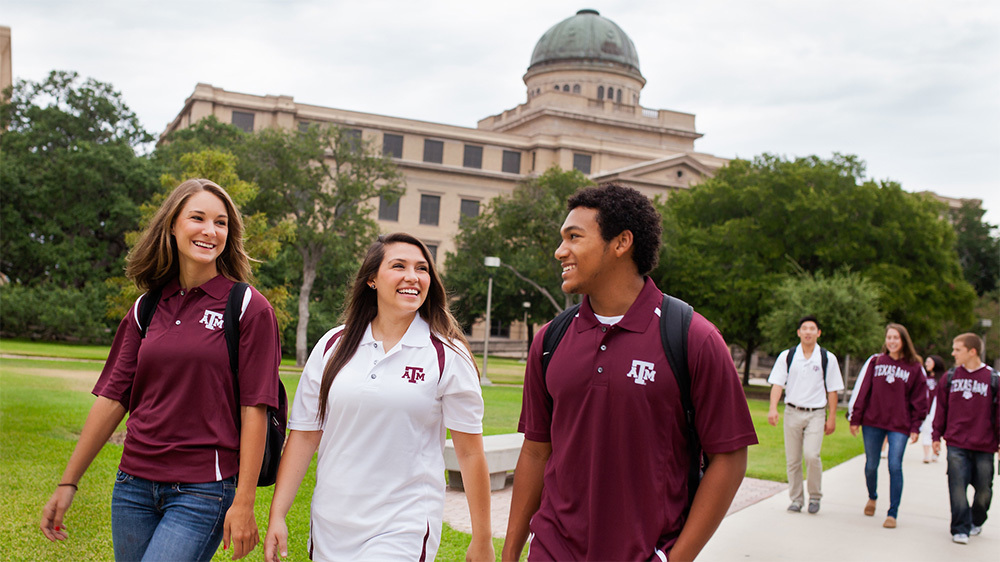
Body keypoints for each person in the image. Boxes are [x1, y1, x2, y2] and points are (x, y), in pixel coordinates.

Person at [501, 183, 758, 562]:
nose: (560, 251)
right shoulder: (550, 339)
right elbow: (537, 452)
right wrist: (509, 554)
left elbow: (730, 458)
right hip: (552, 551)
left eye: (574, 237)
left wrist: (676, 558)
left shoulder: (692, 337)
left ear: (621, 242)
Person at [39, 178, 282, 561]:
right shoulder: (147, 307)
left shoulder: (248, 307)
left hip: (203, 489)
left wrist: (245, 501)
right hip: (132, 486)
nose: (209, 230)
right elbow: (114, 398)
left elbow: (256, 407)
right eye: (197, 218)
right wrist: (69, 481)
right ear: (172, 225)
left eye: (221, 223)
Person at [263, 233, 493, 562]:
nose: (412, 277)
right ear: (371, 279)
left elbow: (470, 453)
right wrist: (277, 515)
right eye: (398, 266)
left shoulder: (446, 355)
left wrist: (482, 537)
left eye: (422, 269)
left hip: (403, 525)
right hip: (331, 523)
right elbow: (304, 436)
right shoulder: (333, 346)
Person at [850, 323, 929, 529]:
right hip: (873, 422)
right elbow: (864, 391)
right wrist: (855, 418)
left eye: (896, 338)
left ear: (904, 341)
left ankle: (892, 512)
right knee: (871, 465)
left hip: (899, 425)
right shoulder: (876, 362)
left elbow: (919, 400)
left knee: (895, 465)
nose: (892, 341)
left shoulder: (914, 368)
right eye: (889, 337)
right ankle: (872, 496)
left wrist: (915, 426)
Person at [767, 315, 844, 514]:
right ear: (798, 332)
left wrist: (832, 417)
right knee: (793, 459)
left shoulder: (827, 358)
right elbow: (777, 383)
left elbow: (833, 390)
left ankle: (815, 497)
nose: (808, 332)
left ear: (818, 333)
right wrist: (773, 408)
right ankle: (796, 499)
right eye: (804, 328)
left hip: (816, 414)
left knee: (811, 455)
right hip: (792, 411)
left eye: (812, 328)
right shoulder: (788, 356)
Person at [932, 333, 999, 545]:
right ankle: (959, 528)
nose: (953, 353)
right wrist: (936, 436)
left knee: (984, 492)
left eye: (957, 349)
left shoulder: (993, 379)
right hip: (956, 443)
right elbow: (941, 409)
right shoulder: (950, 377)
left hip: (984, 445)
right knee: (957, 487)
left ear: (972, 351)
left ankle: (976, 520)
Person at [920, 355, 946, 463]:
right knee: (926, 430)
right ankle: (926, 455)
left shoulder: (943, 378)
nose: (926, 364)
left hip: (937, 409)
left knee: (935, 430)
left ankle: (935, 452)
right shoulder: (925, 378)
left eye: (929, 362)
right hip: (927, 409)